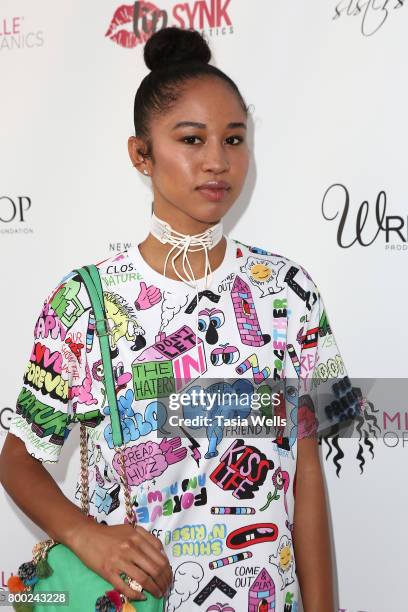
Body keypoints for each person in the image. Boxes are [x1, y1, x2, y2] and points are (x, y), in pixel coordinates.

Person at [0, 26, 360, 612]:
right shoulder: (83, 303)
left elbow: (308, 476)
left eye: (234, 139)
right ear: (141, 154)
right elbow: (17, 457)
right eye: (191, 139)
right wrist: (87, 535)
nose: (217, 162)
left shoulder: (289, 293)